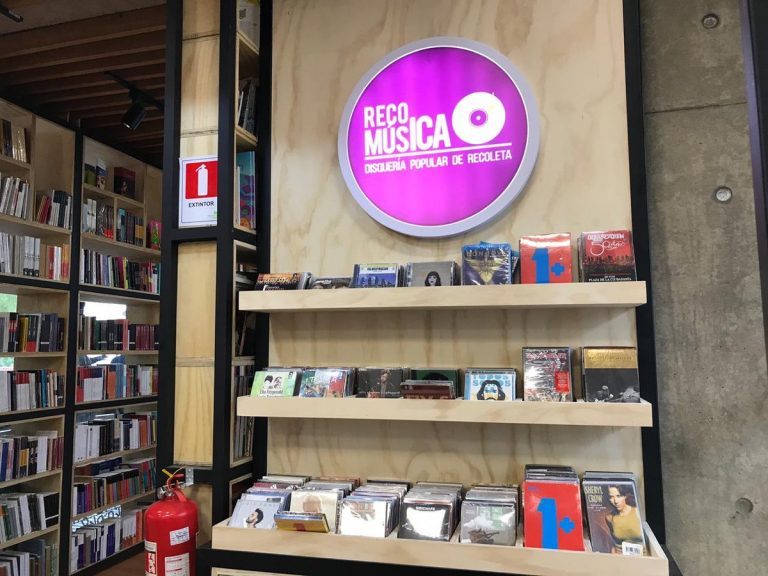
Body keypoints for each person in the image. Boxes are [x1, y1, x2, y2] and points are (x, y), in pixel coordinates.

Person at [605, 485, 644, 554]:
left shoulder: (637, 512)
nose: (615, 501)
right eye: (611, 497)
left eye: (619, 496)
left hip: (640, 556)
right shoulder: (609, 517)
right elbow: (615, 543)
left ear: (625, 496)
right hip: (619, 556)